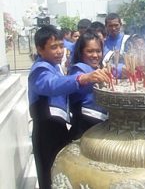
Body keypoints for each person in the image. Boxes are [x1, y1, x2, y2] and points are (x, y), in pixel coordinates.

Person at [28, 25, 110, 188]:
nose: (59, 51)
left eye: (61, 46)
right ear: (39, 49)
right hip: (46, 133)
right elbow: (52, 85)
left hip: (58, 130)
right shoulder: (40, 70)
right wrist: (82, 79)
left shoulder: (53, 66)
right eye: (53, 47)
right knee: (50, 175)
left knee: (62, 173)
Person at [69, 32, 108, 140]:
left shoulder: (97, 69)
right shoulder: (78, 69)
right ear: (81, 52)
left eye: (98, 51)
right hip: (83, 129)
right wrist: (85, 78)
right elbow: (78, 77)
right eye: (90, 51)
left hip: (98, 127)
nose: (95, 55)